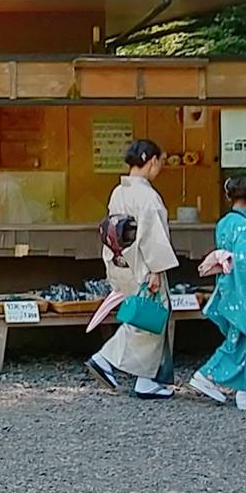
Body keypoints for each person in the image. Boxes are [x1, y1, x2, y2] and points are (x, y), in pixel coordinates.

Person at [86, 140, 179, 399]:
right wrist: (156, 270)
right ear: (152, 160)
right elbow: (153, 237)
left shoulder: (119, 192)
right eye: (160, 162)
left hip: (121, 261)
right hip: (143, 265)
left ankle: (146, 380)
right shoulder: (148, 196)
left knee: (142, 318)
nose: (159, 168)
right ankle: (105, 359)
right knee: (148, 320)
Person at [188, 174, 246, 412]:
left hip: (229, 286)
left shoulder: (225, 222)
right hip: (243, 290)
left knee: (242, 338)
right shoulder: (245, 227)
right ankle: (209, 376)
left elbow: (236, 254)